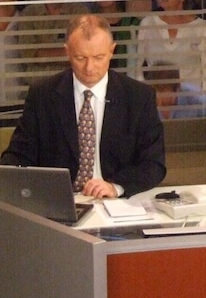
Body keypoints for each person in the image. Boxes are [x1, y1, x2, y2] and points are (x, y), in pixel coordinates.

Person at [1, 14, 166, 198]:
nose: (89, 67)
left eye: (98, 57)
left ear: (112, 51)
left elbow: (154, 164)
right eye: (80, 58)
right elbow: (19, 155)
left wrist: (116, 186)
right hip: (58, 200)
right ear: (67, 52)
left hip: (117, 202)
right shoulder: (43, 95)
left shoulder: (138, 97)